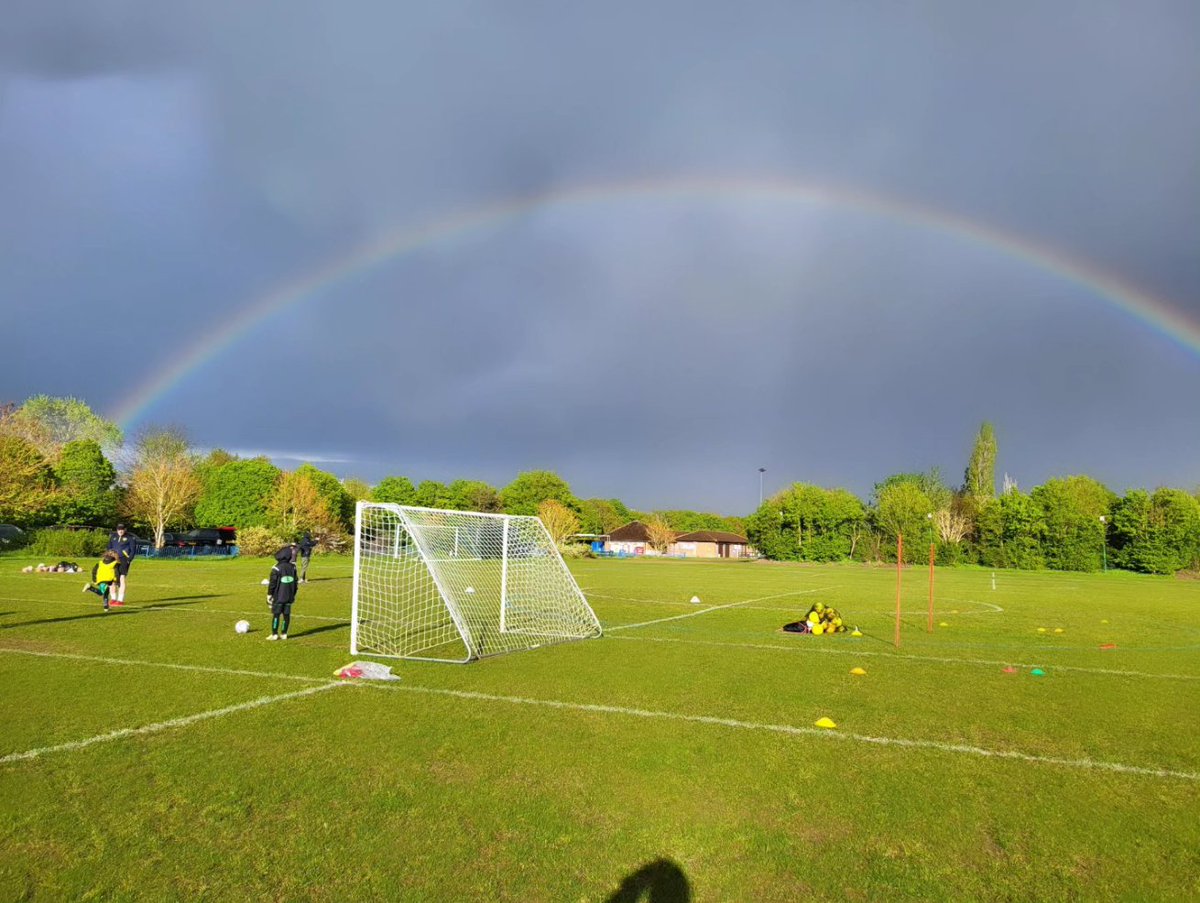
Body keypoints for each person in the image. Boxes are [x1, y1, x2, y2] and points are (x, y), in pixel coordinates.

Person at [266, 545, 299, 641]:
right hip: (289, 596)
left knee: (276, 614)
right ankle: (284, 634)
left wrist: (269, 594)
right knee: (286, 615)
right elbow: (295, 582)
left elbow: (272, 583)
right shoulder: (293, 567)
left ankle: (274, 634)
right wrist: (293, 594)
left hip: (278, 596)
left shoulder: (276, 568)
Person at [106, 523, 137, 607]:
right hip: (113, 560)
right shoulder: (113, 537)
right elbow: (109, 547)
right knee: (112, 579)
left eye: (122, 529)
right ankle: (113, 599)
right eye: (119, 529)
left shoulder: (130, 538)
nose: (120, 531)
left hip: (123, 560)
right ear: (117, 529)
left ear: (125, 529)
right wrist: (109, 555)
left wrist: (128, 560)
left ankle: (120, 600)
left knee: (121, 578)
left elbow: (133, 550)